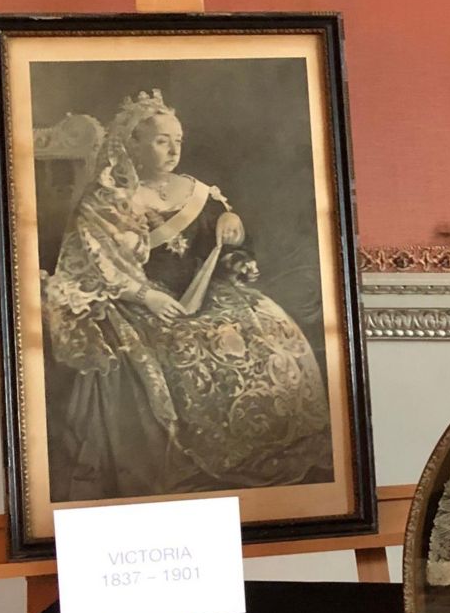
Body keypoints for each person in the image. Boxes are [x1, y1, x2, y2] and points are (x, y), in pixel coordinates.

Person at [41, 89, 333, 502]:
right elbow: (97, 262)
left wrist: (234, 237)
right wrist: (147, 297)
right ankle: (201, 458)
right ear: (132, 144)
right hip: (140, 298)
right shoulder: (107, 199)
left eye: (178, 140)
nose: (174, 149)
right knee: (190, 343)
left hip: (204, 291)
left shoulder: (195, 190)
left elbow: (221, 244)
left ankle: (270, 445)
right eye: (162, 140)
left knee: (265, 326)